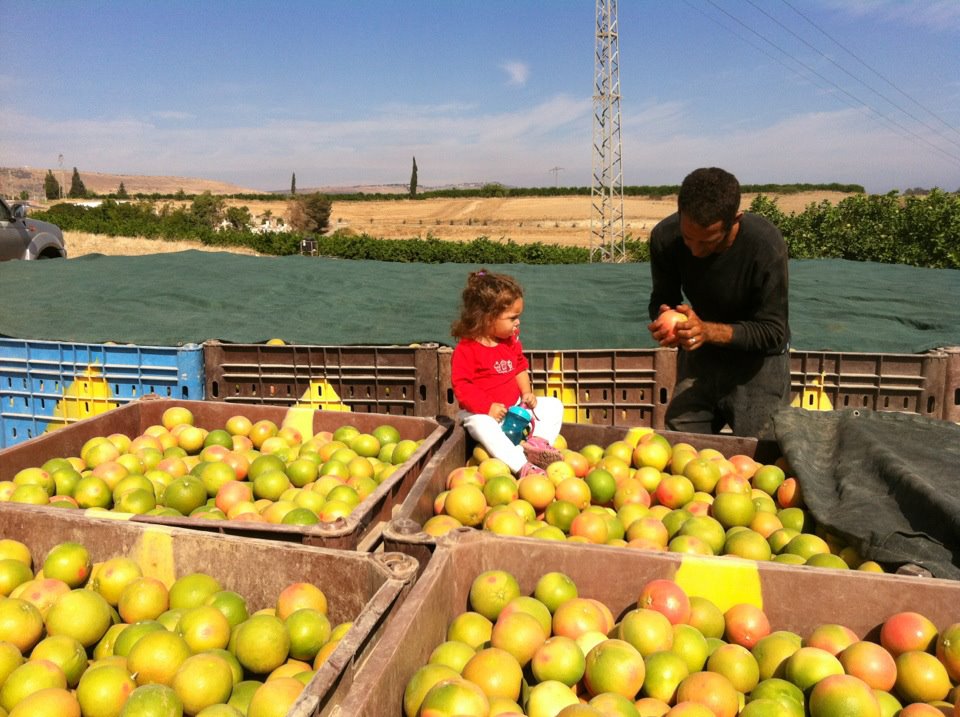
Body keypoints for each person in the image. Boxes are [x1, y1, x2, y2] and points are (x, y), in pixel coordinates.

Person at [647, 167, 791, 439]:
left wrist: (707, 331)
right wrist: (664, 316)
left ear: (735, 220)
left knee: (763, 451)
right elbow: (662, 297)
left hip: (758, 361)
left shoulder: (765, 246)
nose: (696, 250)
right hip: (701, 354)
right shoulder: (665, 238)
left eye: (709, 241)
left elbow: (773, 331)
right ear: (679, 214)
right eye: (688, 238)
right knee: (681, 441)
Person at [451, 269, 565, 477]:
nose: (518, 322)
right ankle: (521, 465)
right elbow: (463, 386)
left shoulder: (510, 342)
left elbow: (520, 367)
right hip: (484, 413)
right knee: (480, 424)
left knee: (553, 406)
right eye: (512, 318)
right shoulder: (466, 350)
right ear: (486, 318)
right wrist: (487, 407)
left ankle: (535, 444)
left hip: (514, 410)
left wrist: (527, 393)